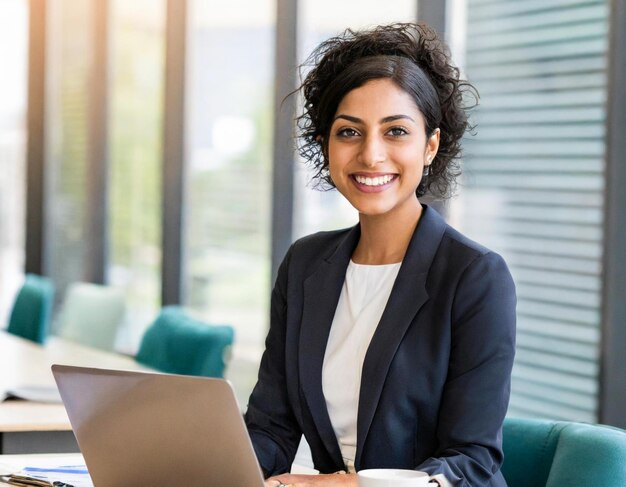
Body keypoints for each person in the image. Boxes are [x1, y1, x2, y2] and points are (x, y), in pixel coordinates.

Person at [245, 22, 516, 487]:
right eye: (349, 132)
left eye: (396, 132)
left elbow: (472, 460)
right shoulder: (306, 264)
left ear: (430, 145)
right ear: (326, 145)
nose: (371, 155)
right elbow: (271, 428)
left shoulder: (474, 276)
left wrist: (350, 485)